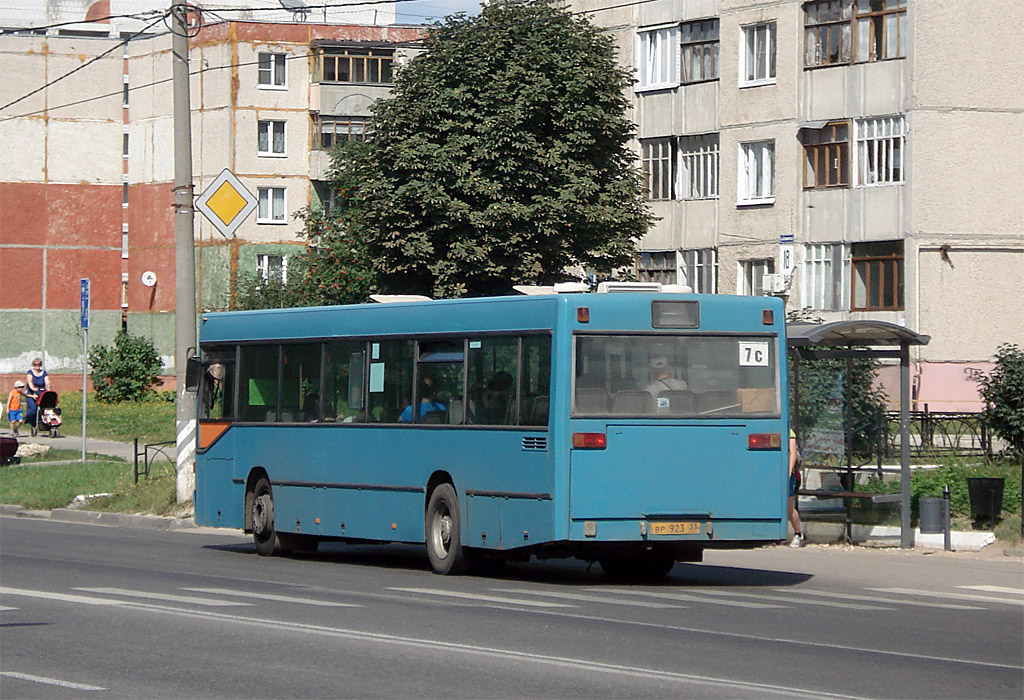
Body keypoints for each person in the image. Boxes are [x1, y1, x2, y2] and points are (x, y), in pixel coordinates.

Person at [788, 428, 805, 547]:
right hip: (774, 475)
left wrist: (789, 472)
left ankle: (798, 534)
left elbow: (793, 452)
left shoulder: (789, 432)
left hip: (790, 476)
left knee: (789, 508)